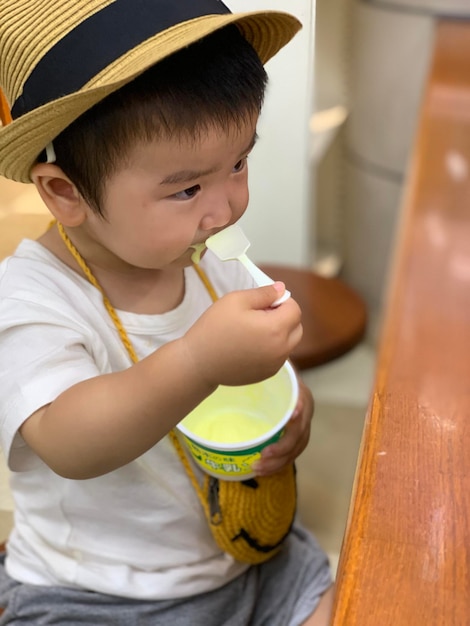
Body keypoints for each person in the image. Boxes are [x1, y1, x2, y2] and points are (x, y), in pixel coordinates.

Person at [0, 1, 333, 624]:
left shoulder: (208, 256)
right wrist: (199, 358)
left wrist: (296, 411)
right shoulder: (30, 298)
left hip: (246, 557)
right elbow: (68, 442)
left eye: (238, 163)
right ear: (66, 192)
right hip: (95, 593)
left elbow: (260, 374)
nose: (226, 208)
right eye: (186, 189)